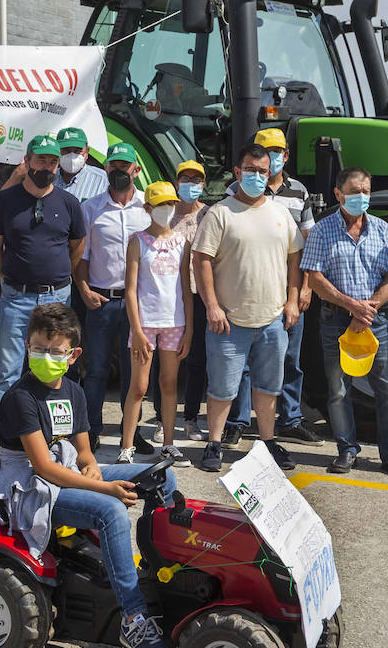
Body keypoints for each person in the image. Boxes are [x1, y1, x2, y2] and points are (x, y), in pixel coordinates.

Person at [0, 303, 175, 648]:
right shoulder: (21, 398)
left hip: (64, 471)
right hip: (30, 488)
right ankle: (133, 618)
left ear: (73, 355)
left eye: (55, 352)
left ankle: (162, 575)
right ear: (27, 345)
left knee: (163, 475)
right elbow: (43, 468)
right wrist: (104, 489)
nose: (45, 357)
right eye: (39, 348)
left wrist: (92, 471)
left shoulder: (73, 393)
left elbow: (85, 453)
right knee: (111, 512)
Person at [192, 143, 303, 473]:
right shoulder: (220, 213)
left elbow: (295, 257)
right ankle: (214, 444)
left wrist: (293, 301)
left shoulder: (280, 213)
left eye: (262, 171)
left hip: (272, 320)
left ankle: (267, 443)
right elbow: (202, 260)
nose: (256, 176)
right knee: (222, 388)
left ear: (270, 174)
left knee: (268, 388)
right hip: (229, 321)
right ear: (237, 172)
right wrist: (211, 306)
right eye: (250, 170)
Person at [300, 168, 388, 479]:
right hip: (335, 320)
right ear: (338, 194)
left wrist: (370, 307)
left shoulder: (382, 230)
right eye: (355, 191)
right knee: (338, 390)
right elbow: (315, 278)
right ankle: (347, 450)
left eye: (366, 190)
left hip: (374, 320)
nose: (362, 197)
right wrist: (350, 305)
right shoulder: (323, 231)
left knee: (387, 389)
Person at [220, 128, 319, 447]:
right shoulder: (235, 189)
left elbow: (306, 246)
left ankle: (290, 419)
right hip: (248, 294)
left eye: (277, 152)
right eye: (265, 152)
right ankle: (238, 420)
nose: (271, 158)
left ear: (286, 156)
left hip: (286, 295)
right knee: (244, 361)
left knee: (289, 360)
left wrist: (305, 288)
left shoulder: (299, 193)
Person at [0, 134, 86, 401]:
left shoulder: (69, 203)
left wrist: (61, 275)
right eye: (41, 160)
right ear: (27, 160)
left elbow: (77, 246)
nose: (47, 167)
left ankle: (48, 429)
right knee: (8, 369)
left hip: (57, 298)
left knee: (53, 367)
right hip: (16, 298)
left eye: (53, 162)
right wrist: (5, 276)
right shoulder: (5, 200)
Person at [76, 142, 152, 451]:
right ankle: (90, 428)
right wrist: (83, 290)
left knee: (135, 373)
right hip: (102, 302)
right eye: (113, 165)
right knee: (95, 369)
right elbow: (81, 258)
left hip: (137, 305)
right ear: (106, 169)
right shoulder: (90, 208)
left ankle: (130, 431)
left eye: (125, 166)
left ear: (136, 169)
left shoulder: (149, 208)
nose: (119, 171)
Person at [120, 182, 192, 466]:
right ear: (148, 208)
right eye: (160, 205)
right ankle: (126, 448)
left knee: (169, 383)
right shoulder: (137, 241)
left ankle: (169, 444)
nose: (166, 210)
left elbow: (186, 289)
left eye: (170, 204)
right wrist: (136, 330)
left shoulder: (182, 243)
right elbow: (130, 290)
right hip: (145, 324)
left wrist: (190, 330)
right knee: (138, 386)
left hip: (175, 324)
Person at [172, 160, 211, 442]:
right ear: (176, 183)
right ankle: (164, 418)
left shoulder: (211, 215)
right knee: (167, 361)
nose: (190, 185)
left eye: (196, 180)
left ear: (203, 185)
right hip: (169, 296)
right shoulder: (164, 213)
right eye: (185, 179)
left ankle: (190, 418)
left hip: (198, 295)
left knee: (197, 359)